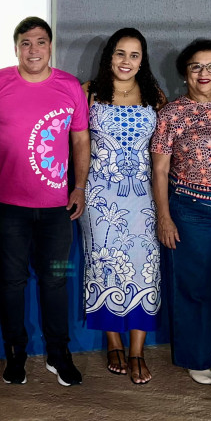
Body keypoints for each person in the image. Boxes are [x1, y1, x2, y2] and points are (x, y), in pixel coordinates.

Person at [0, 17, 90, 386]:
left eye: (41, 42)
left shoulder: (69, 86)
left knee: (56, 280)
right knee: (12, 281)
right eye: (26, 43)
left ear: (50, 47)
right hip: (8, 206)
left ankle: (58, 353)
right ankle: (16, 353)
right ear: (15, 47)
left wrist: (79, 187)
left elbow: (79, 141)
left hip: (57, 208)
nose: (33, 50)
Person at [151, 39, 211, 385]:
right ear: (185, 74)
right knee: (195, 288)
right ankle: (196, 356)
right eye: (196, 66)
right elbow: (159, 170)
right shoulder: (172, 113)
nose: (204, 73)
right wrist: (164, 216)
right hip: (192, 212)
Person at [80, 27, 164, 385]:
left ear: (142, 60)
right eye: (119, 53)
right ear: (109, 57)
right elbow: (75, 144)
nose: (126, 61)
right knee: (104, 263)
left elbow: (163, 153)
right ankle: (113, 342)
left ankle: (137, 350)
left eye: (134, 55)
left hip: (143, 196)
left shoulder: (155, 96)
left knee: (146, 266)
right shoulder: (89, 93)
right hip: (99, 196)